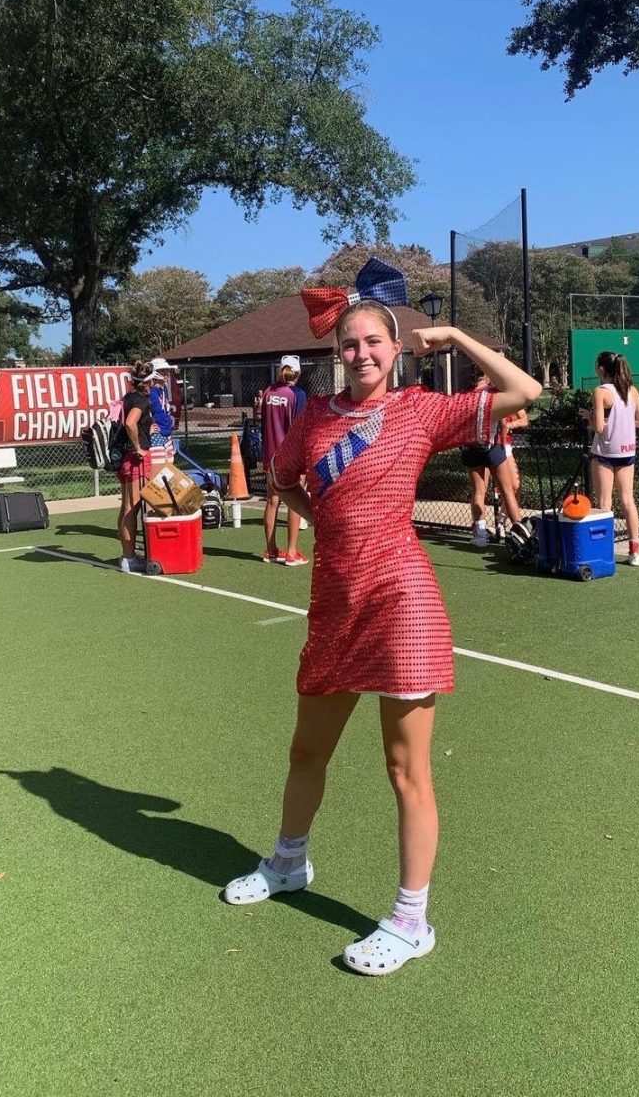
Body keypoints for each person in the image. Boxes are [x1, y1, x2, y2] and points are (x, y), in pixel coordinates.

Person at [223, 257, 542, 976]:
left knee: (405, 770)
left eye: (373, 342)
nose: (360, 353)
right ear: (335, 355)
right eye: (348, 345)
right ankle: (287, 864)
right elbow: (284, 484)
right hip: (334, 601)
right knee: (307, 753)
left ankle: (410, 918)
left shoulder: (421, 410)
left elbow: (525, 390)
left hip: (403, 600)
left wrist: (456, 336)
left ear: (395, 350)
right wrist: (327, 529)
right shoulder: (310, 419)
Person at [581, 351, 639, 566]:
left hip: (605, 453)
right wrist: (624, 425)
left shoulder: (600, 392)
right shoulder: (632, 390)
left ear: (601, 370)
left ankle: (604, 550)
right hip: (627, 452)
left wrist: (589, 417)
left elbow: (599, 427)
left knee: (604, 503)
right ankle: (635, 552)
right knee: (628, 500)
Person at [460, 372, 526, 546]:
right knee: (508, 491)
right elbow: (504, 424)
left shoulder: (466, 398)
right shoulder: (493, 395)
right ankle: (521, 533)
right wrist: (503, 444)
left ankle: (480, 535)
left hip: (471, 447)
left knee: (478, 491)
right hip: (492, 446)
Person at [260, 355, 308, 566]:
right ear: (298, 373)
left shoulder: (269, 392)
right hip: (290, 457)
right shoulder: (297, 394)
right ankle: (292, 552)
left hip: (270, 454)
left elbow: (263, 424)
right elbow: (301, 429)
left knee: (272, 501)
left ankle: (270, 550)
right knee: (294, 503)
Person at [117, 360, 159, 573]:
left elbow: (133, 423)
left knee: (127, 505)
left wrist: (146, 432)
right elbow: (130, 423)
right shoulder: (141, 400)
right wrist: (138, 447)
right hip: (135, 457)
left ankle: (128, 556)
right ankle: (129, 558)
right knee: (132, 506)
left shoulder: (129, 398)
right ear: (149, 382)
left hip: (126, 455)